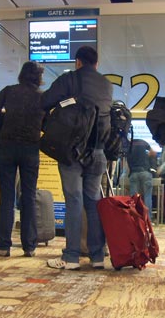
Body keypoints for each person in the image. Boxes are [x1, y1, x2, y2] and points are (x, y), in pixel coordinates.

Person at [42, 46, 112, 270]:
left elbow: (43, 102)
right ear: (97, 64)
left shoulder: (69, 79)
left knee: (73, 202)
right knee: (93, 203)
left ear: (78, 62)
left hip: (72, 151)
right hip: (98, 151)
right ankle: (98, 256)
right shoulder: (106, 84)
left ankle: (71, 257)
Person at [0, 61, 45, 257]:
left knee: (7, 196)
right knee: (28, 196)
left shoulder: (9, 91)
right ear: (38, 78)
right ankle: (29, 246)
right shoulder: (41, 97)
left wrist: (2, 120)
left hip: (7, 147)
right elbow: (48, 122)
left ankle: (4, 244)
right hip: (31, 148)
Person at [126, 138, 157, 219]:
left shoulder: (129, 146)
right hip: (146, 173)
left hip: (134, 173)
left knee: (134, 198)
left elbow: (127, 163)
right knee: (147, 196)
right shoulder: (143, 142)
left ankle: (134, 218)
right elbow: (153, 153)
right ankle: (148, 219)